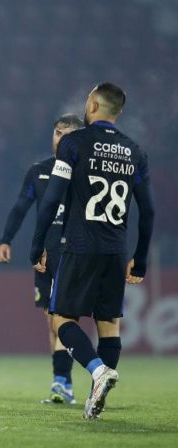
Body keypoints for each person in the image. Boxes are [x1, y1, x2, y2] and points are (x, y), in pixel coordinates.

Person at [30, 83, 154, 419]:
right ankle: (95, 402)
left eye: (87, 100)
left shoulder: (73, 144)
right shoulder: (134, 152)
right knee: (109, 325)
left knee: (62, 319)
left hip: (80, 246)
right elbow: (148, 211)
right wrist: (140, 258)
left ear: (94, 105)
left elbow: (52, 199)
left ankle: (98, 372)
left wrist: (38, 244)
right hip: (116, 250)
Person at [0, 114, 83, 404]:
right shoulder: (39, 172)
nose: (60, 139)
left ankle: (62, 381)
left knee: (63, 319)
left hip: (74, 253)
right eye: (57, 133)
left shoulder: (87, 172)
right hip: (46, 255)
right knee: (52, 321)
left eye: (66, 136)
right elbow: (21, 206)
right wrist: (6, 239)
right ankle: (63, 382)